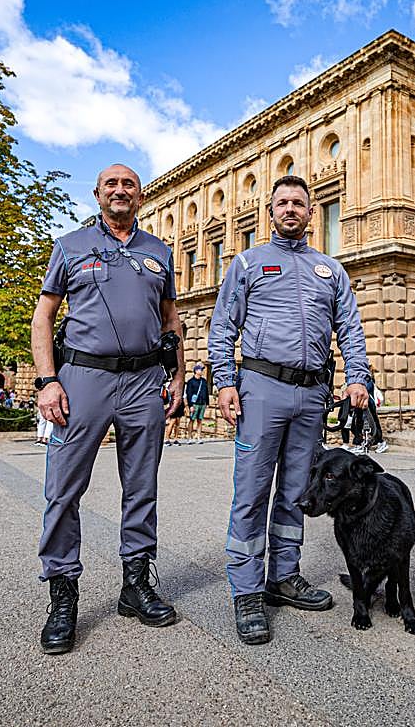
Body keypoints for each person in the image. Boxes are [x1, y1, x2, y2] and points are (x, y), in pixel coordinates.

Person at [209, 174, 371, 645]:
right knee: (252, 490)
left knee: (298, 491)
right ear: (271, 211)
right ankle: (246, 590)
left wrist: (357, 375)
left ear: (310, 211)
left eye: (298, 203)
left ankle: (283, 576)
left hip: (312, 395)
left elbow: (351, 329)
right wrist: (224, 382)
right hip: (262, 387)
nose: (290, 209)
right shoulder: (248, 263)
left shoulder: (331, 271)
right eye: (282, 203)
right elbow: (222, 328)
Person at [32, 163, 185, 655]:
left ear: (141, 196)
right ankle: (63, 594)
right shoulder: (70, 246)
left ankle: (135, 585)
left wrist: (179, 374)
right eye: (112, 184)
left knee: (142, 488)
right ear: (97, 193)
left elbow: (171, 320)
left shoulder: (159, 252)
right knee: (63, 488)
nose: (121, 191)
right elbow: (44, 316)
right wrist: (47, 380)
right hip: (83, 378)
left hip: (144, 380)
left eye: (130, 185)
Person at [184, 363, 210, 439]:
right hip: (194, 404)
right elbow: (189, 394)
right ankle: (189, 437)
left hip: (202, 403)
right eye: (201, 369)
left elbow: (206, 392)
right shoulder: (190, 382)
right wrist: (190, 405)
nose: (202, 371)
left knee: (200, 420)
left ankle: (198, 437)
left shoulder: (204, 381)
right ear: (196, 371)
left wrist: (207, 403)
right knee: (192, 420)